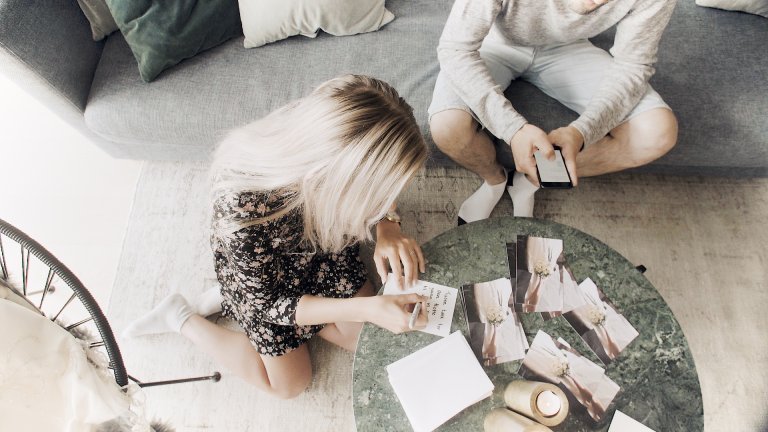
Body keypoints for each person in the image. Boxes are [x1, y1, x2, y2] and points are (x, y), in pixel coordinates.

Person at [122, 75, 430, 399]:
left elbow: (377, 186)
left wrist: (388, 226)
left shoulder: (343, 121)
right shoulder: (241, 208)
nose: (383, 203)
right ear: (339, 181)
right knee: (290, 384)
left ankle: (247, 303)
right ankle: (181, 316)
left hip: (320, 251)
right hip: (269, 288)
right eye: (378, 196)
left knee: (365, 339)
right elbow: (274, 305)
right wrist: (367, 308)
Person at [429, 0, 678, 221]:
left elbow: (633, 65)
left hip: (570, 48)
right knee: (448, 127)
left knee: (657, 133)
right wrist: (512, 129)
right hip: (492, 41)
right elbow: (456, 49)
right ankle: (495, 180)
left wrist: (582, 132)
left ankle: (528, 181)